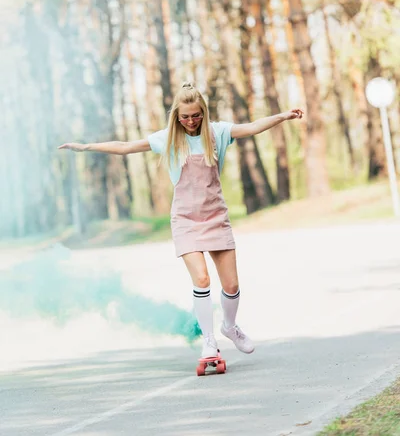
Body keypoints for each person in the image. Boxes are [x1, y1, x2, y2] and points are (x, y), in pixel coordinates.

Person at [59, 82, 304, 359]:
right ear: (176, 116)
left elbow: (253, 126)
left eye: (196, 115)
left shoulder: (218, 133)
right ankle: (209, 341)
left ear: (204, 113)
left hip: (215, 215)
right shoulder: (168, 138)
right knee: (201, 278)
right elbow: (125, 147)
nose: (190, 121)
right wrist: (86, 146)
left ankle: (229, 326)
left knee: (232, 286)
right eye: (185, 116)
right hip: (185, 219)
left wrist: (283, 116)